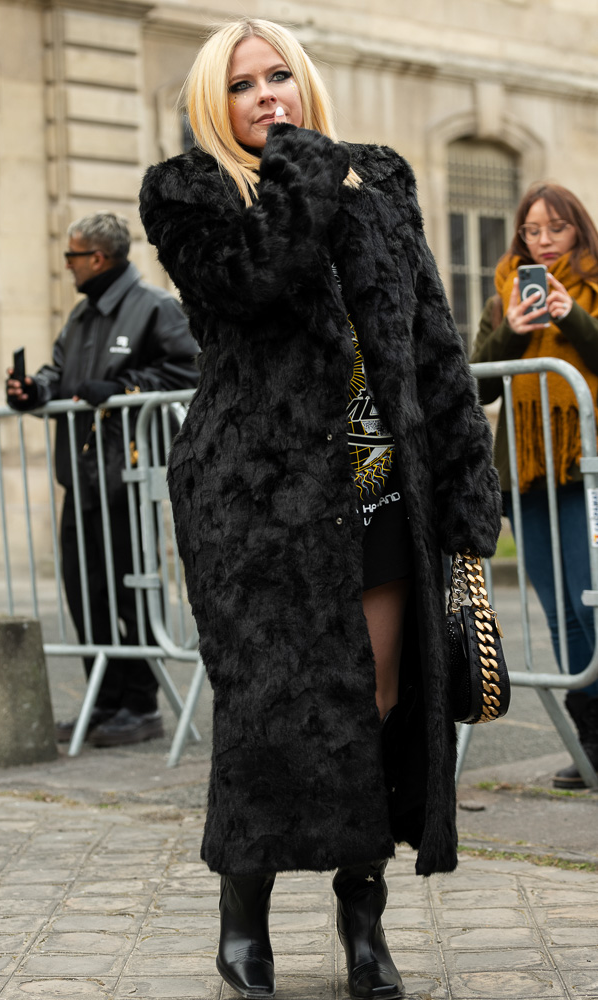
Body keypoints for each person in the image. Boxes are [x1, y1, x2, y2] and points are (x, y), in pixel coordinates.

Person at [139, 18, 501, 1000]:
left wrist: (469, 481)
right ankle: (242, 921)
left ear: (306, 81)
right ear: (217, 101)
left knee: (375, 705)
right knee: (266, 712)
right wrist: (300, 167)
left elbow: (431, 334)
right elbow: (255, 284)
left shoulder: (378, 181)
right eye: (245, 84)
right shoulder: (189, 193)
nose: (266, 96)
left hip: (380, 494)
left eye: (281, 77)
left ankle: (363, 926)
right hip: (254, 505)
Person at [6, 213, 198, 748]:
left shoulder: (155, 307)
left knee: (130, 592)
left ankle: (140, 706)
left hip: (129, 479)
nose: (65, 265)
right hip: (82, 477)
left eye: (71, 256)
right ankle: (103, 701)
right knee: (84, 592)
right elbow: (58, 373)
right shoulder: (82, 315)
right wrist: (32, 390)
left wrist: (121, 387)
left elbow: (191, 373)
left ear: (97, 258)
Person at [471, 183, 598, 790]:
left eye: (556, 229)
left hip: (586, 474)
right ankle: (590, 741)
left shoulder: (594, 289)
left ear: (580, 231)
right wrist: (515, 332)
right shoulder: (503, 296)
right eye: (531, 230)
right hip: (526, 476)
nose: (543, 242)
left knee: (591, 604)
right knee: (561, 618)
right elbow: (475, 384)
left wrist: (570, 316)